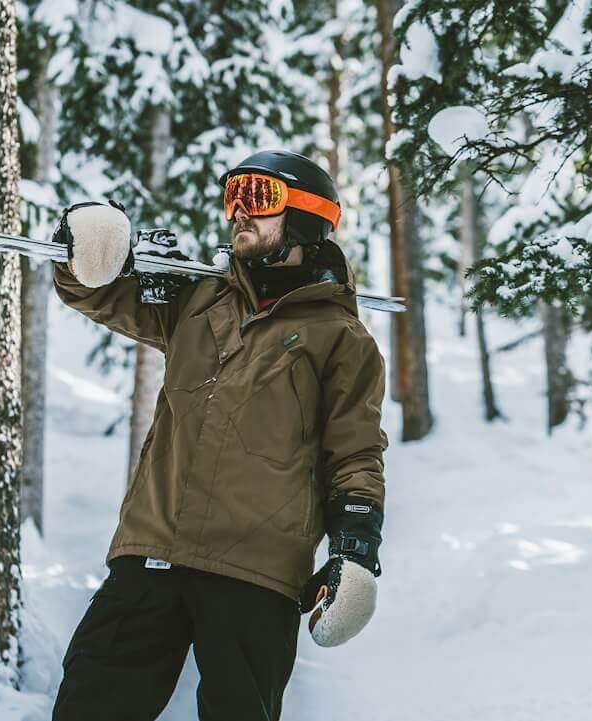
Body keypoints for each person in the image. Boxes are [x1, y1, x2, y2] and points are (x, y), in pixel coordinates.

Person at [48, 149, 389, 721]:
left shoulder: (340, 339)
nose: (239, 214)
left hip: (254, 572)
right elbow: (98, 290)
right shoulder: (197, 300)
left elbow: (355, 455)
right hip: (152, 550)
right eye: (233, 199)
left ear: (306, 219)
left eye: (257, 199)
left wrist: (355, 550)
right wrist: (88, 239)